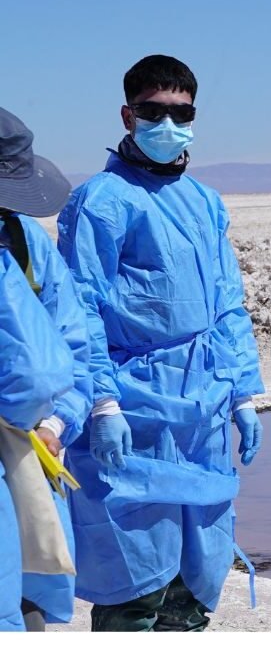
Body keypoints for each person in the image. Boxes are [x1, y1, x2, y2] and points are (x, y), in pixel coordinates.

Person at [57, 54, 266, 632]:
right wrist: (102, 403)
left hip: (202, 406)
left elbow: (227, 301)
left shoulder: (204, 200)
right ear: (128, 115)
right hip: (136, 405)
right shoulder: (100, 201)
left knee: (196, 575)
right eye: (154, 111)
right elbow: (82, 311)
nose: (167, 124)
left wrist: (244, 392)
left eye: (180, 112)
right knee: (136, 578)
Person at [0, 107, 93, 631]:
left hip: (24, 460)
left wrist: (58, 421)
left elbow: (73, 344)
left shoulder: (24, 241)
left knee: (26, 597)